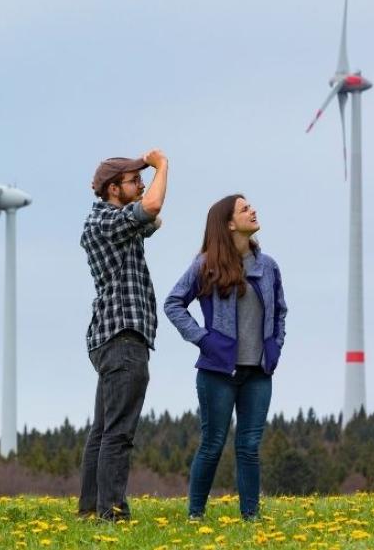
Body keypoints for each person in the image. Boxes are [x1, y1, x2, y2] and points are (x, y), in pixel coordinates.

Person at [164, 194, 287, 521]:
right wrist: (203, 339)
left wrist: (274, 346)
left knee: (249, 447)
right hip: (217, 373)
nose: (254, 210)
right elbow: (173, 304)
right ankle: (195, 516)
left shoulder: (269, 266)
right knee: (213, 444)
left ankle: (251, 518)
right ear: (229, 223)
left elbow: (281, 311)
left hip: (258, 373)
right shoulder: (205, 265)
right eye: (245, 208)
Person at [78, 150, 170, 521]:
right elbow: (153, 207)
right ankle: (111, 514)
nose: (141, 184)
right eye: (133, 181)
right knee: (118, 434)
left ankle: (89, 510)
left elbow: (154, 218)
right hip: (123, 337)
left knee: (103, 432)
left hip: (112, 337)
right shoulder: (106, 222)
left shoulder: (108, 219)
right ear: (114, 189)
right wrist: (162, 165)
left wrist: (133, 170)